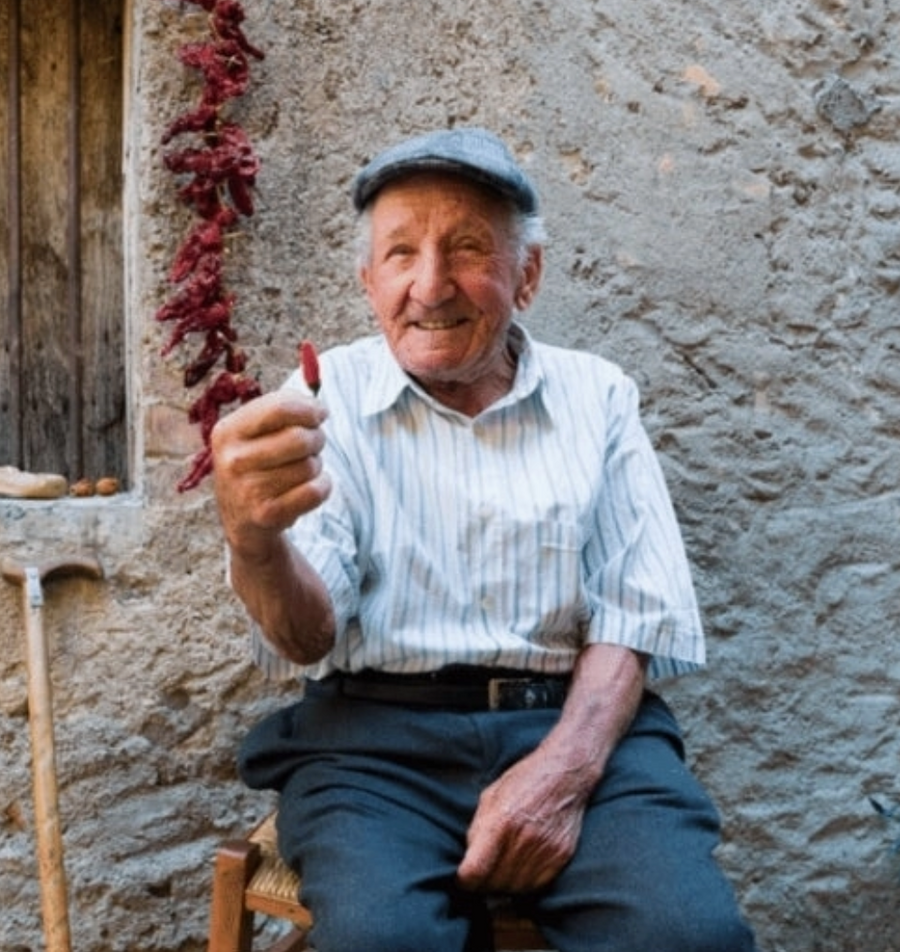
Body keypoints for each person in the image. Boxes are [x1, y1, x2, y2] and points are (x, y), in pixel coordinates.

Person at [211, 126, 756, 952]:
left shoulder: (597, 396)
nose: (430, 285)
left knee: (688, 935)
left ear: (526, 275)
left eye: (466, 248)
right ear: (368, 281)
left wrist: (563, 772)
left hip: (577, 729)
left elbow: (634, 618)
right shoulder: (330, 399)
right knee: (383, 942)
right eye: (400, 253)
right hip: (375, 749)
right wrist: (254, 541)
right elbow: (306, 637)